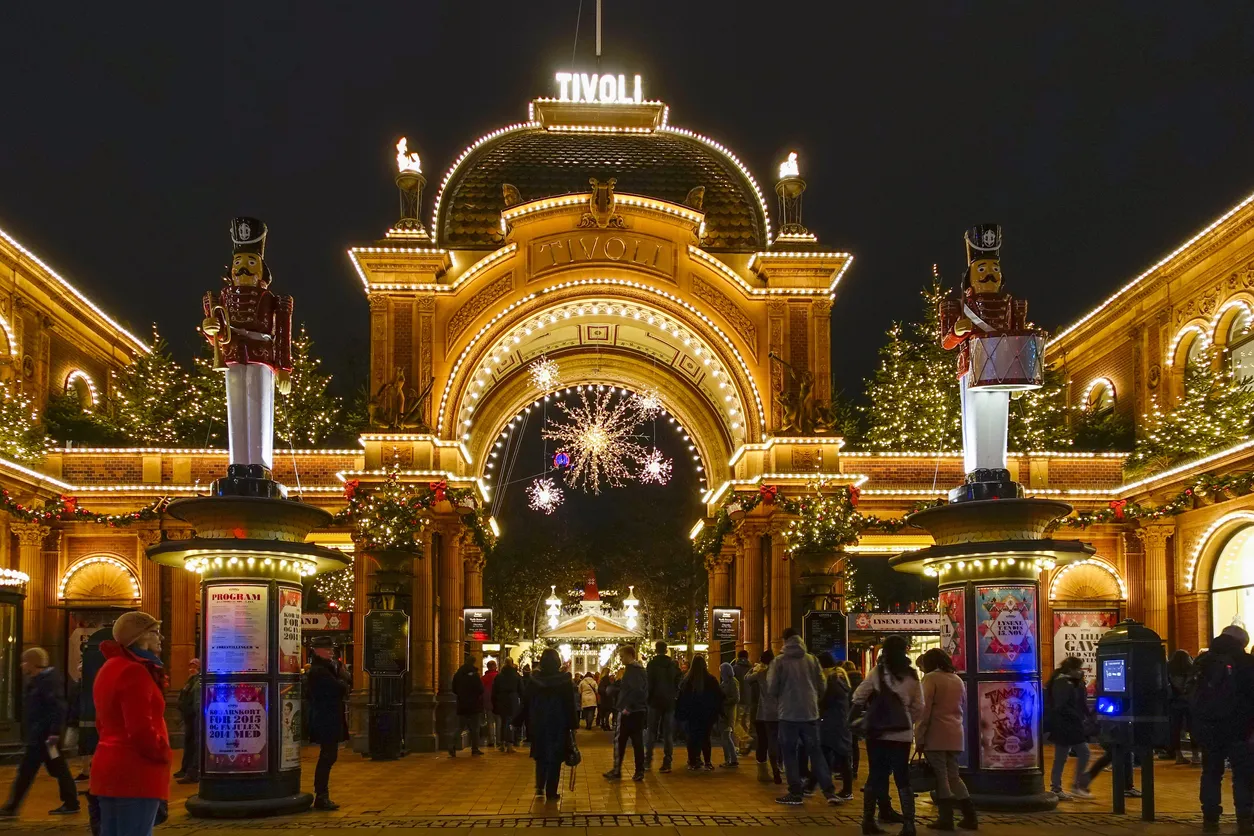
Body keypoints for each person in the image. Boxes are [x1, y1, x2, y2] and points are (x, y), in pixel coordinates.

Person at [87, 612, 171, 836]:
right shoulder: (135, 671)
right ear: (138, 637)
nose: (160, 638)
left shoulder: (109, 668)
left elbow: (101, 722)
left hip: (108, 769)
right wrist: (163, 752)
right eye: (154, 632)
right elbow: (140, 730)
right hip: (135, 772)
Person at [852, 635, 924, 836]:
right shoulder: (911, 675)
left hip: (878, 732)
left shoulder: (877, 672)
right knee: (902, 777)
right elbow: (920, 706)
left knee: (876, 775)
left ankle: (868, 821)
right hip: (902, 734)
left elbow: (859, 696)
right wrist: (907, 718)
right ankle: (909, 824)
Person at [0, 648, 80, 818]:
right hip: (39, 736)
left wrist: (54, 732)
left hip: (44, 737)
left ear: (31, 663)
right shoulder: (37, 680)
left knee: (26, 772)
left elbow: (58, 708)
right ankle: (71, 802)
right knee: (58, 769)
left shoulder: (48, 681)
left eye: (24, 662)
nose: (22, 665)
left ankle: (11, 807)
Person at [1189, 625, 1254, 832]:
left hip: (1209, 727)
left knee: (1211, 772)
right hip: (1239, 728)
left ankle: (1210, 817)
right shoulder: (1245, 662)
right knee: (1242, 774)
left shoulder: (1203, 661)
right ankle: (1244, 817)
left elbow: (1191, 693)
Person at [769, 627, 841, 806]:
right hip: (810, 714)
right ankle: (829, 792)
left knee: (789, 754)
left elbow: (772, 688)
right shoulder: (812, 660)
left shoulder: (779, 662)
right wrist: (814, 700)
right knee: (816, 753)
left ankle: (795, 792)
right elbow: (821, 684)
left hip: (788, 714)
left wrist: (782, 698)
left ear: (785, 641)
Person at [916, 648, 976, 830]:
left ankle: (946, 818)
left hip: (936, 734)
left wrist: (919, 736)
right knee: (954, 776)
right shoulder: (957, 679)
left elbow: (924, 711)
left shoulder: (931, 679)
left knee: (941, 777)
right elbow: (962, 705)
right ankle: (970, 815)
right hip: (955, 733)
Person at [520, 648, 577, 801]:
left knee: (541, 755)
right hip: (559, 723)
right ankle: (551, 791)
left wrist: (519, 720)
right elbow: (569, 703)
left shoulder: (534, 680)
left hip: (538, 722)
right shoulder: (564, 680)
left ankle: (540, 786)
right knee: (555, 757)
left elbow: (526, 701)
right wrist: (573, 724)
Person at [306, 635, 351, 810]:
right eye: (327, 649)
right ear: (316, 650)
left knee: (329, 756)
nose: (331, 651)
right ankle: (321, 795)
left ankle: (322, 794)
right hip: (326, 719)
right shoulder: (319, 670)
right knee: (327, 757)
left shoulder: (329, 668)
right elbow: (338, 688)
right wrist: (342, 682)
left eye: (331, 648)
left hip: (330, 717)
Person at [1046, 656, 1093, 801]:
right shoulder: (1062, 682)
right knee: (1080, 753)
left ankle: (1059, 786)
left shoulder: (1070, 682)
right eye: (1078, 668)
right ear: (1071, 669)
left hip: (1068, 724)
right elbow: (1062, 705)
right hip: (1066, 724)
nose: (1080, 671)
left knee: (1062, 756)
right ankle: (1069, 786)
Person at [812, 652, 854, 801]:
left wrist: (817, 704)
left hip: (832, 722)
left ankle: (847, 790)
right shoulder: (841, 676)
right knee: (832, 754)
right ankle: (812, 784)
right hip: (839, 720)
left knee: (829, 754)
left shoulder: (831, 679)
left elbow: (827, 700)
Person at [605, 645, 647, 781]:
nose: (621, 659)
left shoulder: (632, 671)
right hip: (638, 711)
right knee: (637, 742)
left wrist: (627, 707)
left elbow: (636, 690)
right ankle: (639, 770)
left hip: (629, 711)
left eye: (622, 656)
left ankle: (617, 770)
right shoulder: (640, 671)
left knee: (620, 741)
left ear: (630, 655)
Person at [676, 654, 722, 770]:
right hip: (706, 714)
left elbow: (682, 698)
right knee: (706, 737)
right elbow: (718, 697)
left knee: (692, 737)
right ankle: (707, 762)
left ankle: (693, 761)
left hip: (692, 714)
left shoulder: (687, 680)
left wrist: (682, 713)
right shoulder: (711, 680)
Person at [645, 640, 681, 772]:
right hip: (669, 702)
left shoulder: (652, 664)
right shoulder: (672, 665)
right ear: (666, 650)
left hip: (654, 701)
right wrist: (674, 694)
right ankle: (667, 762)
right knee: (668, 733)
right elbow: (678, 681)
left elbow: (648, 684)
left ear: (656, 650)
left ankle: (648, 761)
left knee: (651, 732)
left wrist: (648, 699)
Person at [747, 650, 782, 784]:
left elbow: (746, 678)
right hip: (780, 712)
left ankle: (764, 772)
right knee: (777, 740)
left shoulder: (761, 674)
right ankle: (778, 767)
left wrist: (753, 668)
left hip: (764, 713)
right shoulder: (780, 674)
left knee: (764, 742)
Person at [1166, 650, 1198, 765]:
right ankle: (1195, 756)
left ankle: (1178, 756)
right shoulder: (1191, 670)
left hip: (1174, 703)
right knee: (1193, 728)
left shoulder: (1169, 671)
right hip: (1189, 703)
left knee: (1175, 730)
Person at [451, 655, 486, 756]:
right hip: (474, 705)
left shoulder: (458, 674)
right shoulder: (475, 675)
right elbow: (480, 689)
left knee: (460, 727)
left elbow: (454, 688)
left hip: (462, 704)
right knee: (475, 728)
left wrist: (462, 695)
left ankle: (452, 746)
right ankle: (474, 749)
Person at [174, 658, 201, 785]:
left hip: (195, 716)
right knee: (189, 743)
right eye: (190, 665)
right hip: (188, 717)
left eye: (194, 666)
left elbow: (195, 699)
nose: (192, 668)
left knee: (195, 744)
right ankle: (185, 769)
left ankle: (192, 772)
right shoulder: (189, 681)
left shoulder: (198, 681)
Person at [493, 657, 523, 753]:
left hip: (501, 699)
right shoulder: (516, 675)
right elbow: (521, 690)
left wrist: (494, 702)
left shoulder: (499, 676)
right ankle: (509, 744)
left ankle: (502, 743)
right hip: (512, 699)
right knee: (510, 722)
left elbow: (494, 690)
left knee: (503, 722)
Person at [717, 662, 741, 767]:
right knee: (726, 736)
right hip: (724, 712)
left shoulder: (732, 682)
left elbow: (736, 698)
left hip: (728, 713)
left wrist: (724, 701)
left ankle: (730, 759)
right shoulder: (725, 682)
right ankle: (730, 759)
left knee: (726, 736)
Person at [732, 650, 753, 753]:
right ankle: (744, 747)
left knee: (736, 723)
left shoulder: (735, 669)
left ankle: (744, 739)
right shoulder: (751, 669)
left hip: (739, 699)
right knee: (746, 723)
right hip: (749, 699)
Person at [482, 660, 499, 748]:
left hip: (488, 702)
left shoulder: (484, 678)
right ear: (495, 666)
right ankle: (499, 740)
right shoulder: (499, 676)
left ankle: (491, 740)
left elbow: (481, 691)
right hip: (498, 702)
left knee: (490, 722)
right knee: (499, 721)